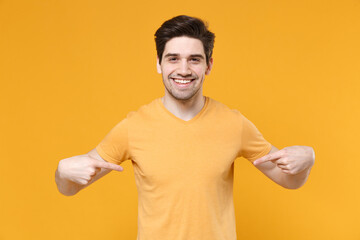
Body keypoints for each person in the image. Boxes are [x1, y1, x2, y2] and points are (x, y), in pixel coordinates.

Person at [55, 15, 315, 240]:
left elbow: (289, 180)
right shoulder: (133, 127)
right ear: (159, 64)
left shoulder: (234, 124)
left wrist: (307, 161)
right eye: (173, 58)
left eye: (194, 59)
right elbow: (70, 187)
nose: (183, 69)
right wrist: (63, 172)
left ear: (208, 65)